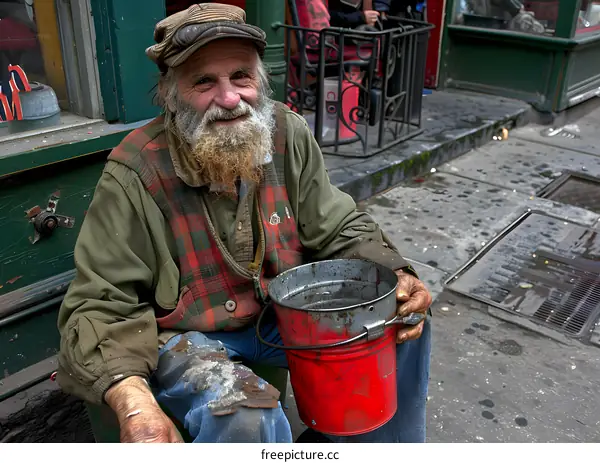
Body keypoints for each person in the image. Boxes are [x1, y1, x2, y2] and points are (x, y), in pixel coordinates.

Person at [55, 2, 432, 444]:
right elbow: (100, 305)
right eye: (204, 81)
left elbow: (338, 226)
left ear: (259, 81)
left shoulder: (286, 132)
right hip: (187, 336)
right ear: (171, 93)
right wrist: (134, 403)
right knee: (242, 413)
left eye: (240, 76)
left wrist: (399, 276)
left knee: (398, 326)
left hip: (281, 314)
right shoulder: (136, 170)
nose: (230, 98)